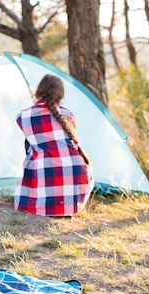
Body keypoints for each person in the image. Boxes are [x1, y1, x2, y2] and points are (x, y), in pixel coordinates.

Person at [14, 74, 94, 217]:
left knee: (32, 142)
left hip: (46, 170)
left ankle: (43, 195)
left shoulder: (23, 116)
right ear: (60, 94)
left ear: (38, 91)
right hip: (77, 170)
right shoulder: (67, 114)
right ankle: (66, 203)